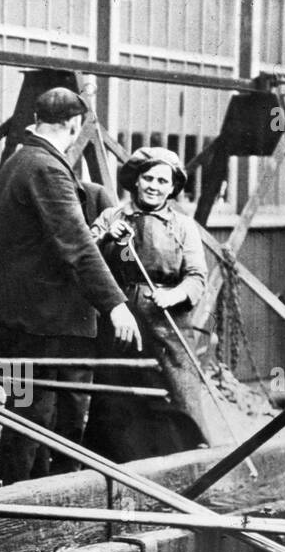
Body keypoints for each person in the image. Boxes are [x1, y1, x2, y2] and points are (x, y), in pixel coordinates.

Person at [0, 87, 141, 483]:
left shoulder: (21, 158)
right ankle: (16, 498)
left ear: (37, 119)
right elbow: (75, 245)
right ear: (75, 125)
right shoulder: (45, 167)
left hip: (12, 313)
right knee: (33, 407)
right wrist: (116, 304)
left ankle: (31, 489)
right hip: (28, 319)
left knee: (29, 403)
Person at [84, 146, 209, 460]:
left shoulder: (183, 226)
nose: (154, 186)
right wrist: (105, 237)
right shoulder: (111, 217)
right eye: (148, 178)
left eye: (162, 181)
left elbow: (196, 277)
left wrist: (173, 294)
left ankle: (180, 463)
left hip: (166, 324)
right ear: (135, 181)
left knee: (174, 396)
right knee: (116, 398)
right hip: (120, 319)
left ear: (173, 187)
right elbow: (82, 258)